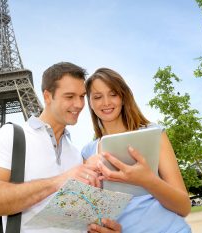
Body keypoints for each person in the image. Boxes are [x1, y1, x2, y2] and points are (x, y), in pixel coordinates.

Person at [0, 62, 122, 233]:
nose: (79, 104)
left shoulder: (76, 154)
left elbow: (77, 221)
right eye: (69, 96)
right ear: (47, 96)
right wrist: (59, 181)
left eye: (82, 96)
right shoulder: (13, 136)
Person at [82, 68, 192, 232]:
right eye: (97, 97)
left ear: (123, 97)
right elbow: (94, 214)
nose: (106, 102)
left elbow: (184, 207)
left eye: (113, 94)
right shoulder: (87, 153)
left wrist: (147, 180)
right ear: (90, 102)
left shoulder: (154, 134)